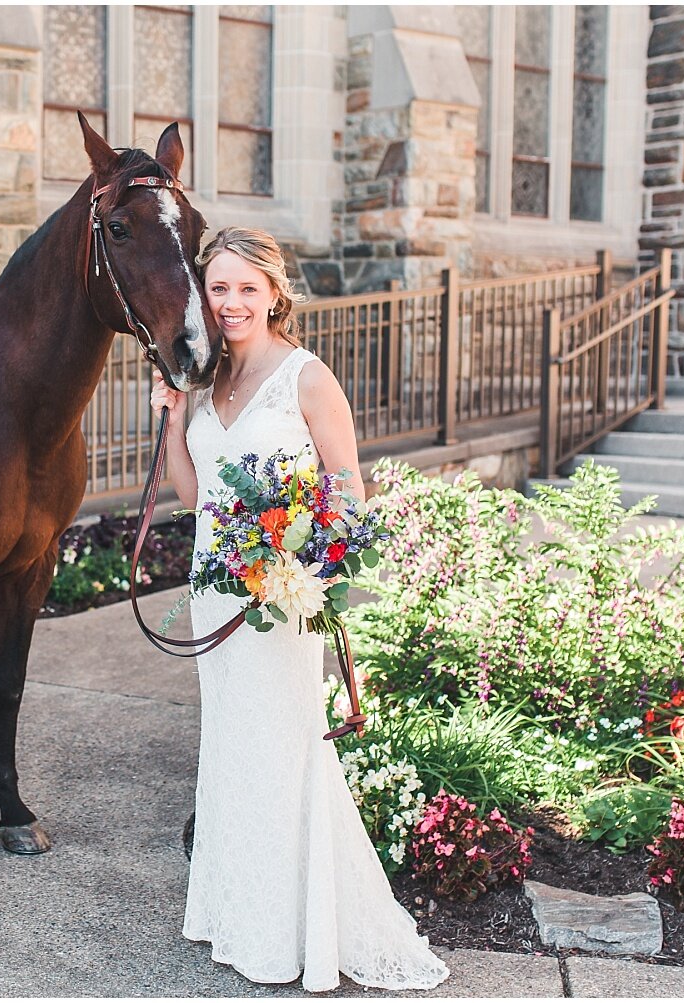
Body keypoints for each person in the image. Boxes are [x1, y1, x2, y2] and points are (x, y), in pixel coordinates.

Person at [149, 226, 450, 993]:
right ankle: (238, 913)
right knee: (230, 750)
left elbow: (348, 491)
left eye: (247, 288)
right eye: (218, 288)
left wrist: (298, 559)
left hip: (278, 604)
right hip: (216, 593)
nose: (231, 303)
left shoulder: (307, 378)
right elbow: (195, 497)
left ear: (276, 292)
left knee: (283, 752)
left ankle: (292, 932)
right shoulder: (207, 381)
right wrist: (169, 417)